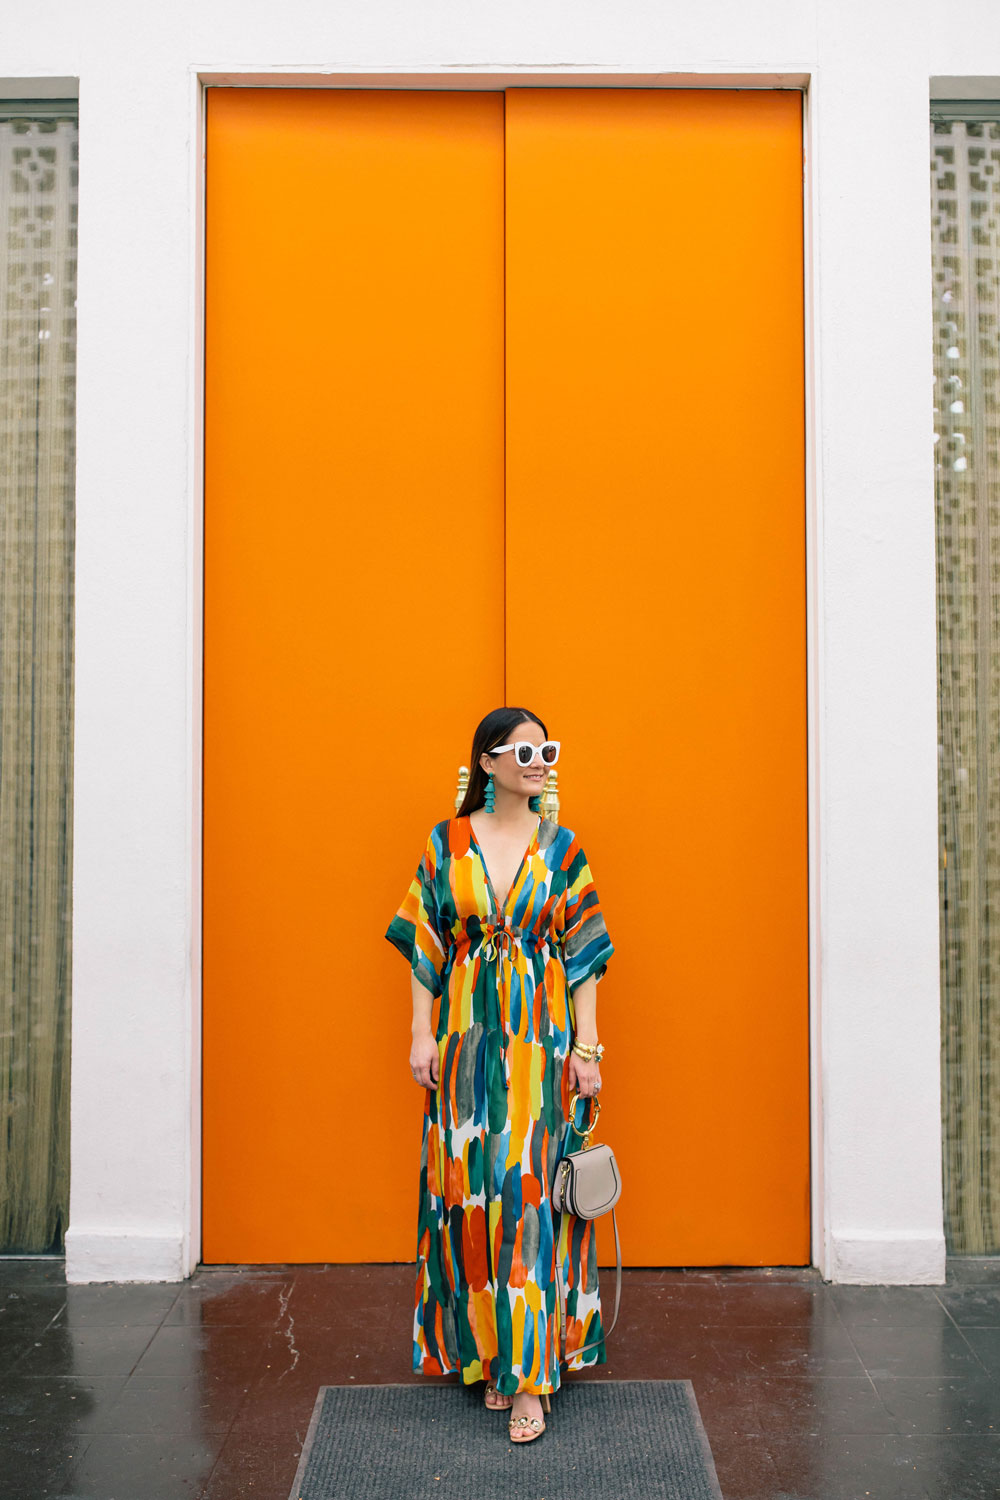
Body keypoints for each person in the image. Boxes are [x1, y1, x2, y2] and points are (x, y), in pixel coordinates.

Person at [384, 706, 615, 1444]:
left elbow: (584, 951)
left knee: (525, 1195)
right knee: (469, 1193)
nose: (539, 761)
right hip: (464, 1045)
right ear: (486, 763)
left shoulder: (563, 847)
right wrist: (420, 1032)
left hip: (539, 1052)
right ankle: (486, 1356)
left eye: (547, 749)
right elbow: (424, 941)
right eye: (523, 751)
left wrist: (588, 1048)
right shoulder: (446, 844)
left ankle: (530, 1383)